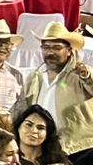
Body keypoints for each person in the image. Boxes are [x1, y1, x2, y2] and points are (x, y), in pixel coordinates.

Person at [23, 23, 93, 158]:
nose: (50, 53)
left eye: (57, 48)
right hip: (45, 147)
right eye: (46, 47)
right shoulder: (34, 77)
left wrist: (85, 74)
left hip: (79, 148)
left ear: (69, 51)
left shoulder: (79, 74)